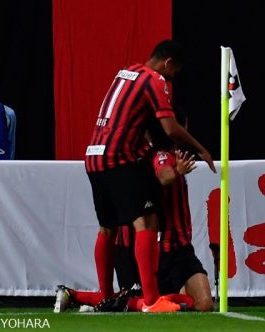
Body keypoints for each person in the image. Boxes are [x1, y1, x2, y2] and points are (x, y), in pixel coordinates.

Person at [84, 39, 215, 313]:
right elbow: (169, 128)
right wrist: (201, 148)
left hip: (93, 155)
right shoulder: (154, 80)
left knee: (107, 226)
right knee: (147, 220)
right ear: (168, 63)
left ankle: (106, 296)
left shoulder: (124, 72)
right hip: (118, 157)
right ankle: (152, 301)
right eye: (175, 71)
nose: (173, 77)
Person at [54, 147, 212, 312]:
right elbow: (163, 176)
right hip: (157, 248)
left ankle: (100, 299)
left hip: (180, 249)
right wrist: (179, 169)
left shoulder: (164, 154)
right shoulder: (159, 154)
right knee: (149, 300)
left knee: (203, 303)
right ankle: (82, 296)